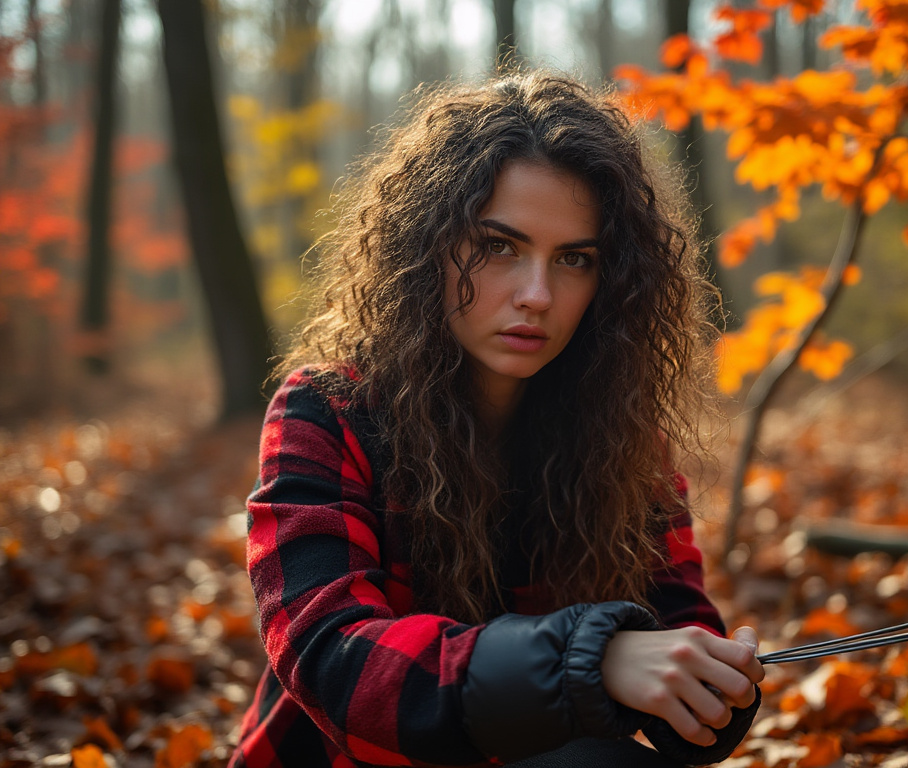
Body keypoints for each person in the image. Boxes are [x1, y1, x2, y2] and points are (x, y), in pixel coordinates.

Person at [228, 70, 764, 768]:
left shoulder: (622, 436)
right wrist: (591, 660)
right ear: (428, 247)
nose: (537, 294)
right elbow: (334, 661)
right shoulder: (326, 412)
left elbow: (676, 618)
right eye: (499, 246)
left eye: (574, 259)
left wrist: (710, 684)